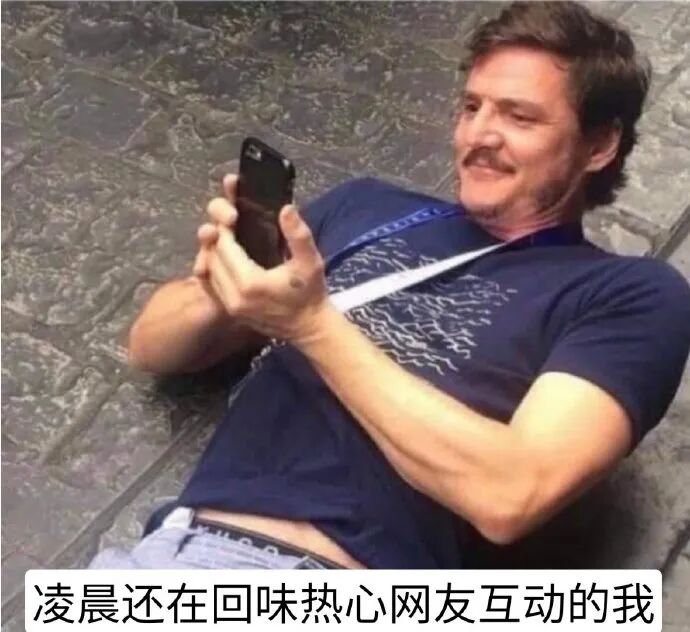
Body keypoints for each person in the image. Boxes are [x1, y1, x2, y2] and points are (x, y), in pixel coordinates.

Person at [90, 1, 690, 570]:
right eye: (471, 107)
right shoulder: (368, 206)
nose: (479, 135)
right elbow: (150, 347)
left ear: (599, 145)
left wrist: (312, 325)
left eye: (519, 116)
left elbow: (512, 493)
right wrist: (225, 285)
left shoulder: (627, 294)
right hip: (159, 552)